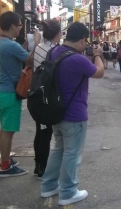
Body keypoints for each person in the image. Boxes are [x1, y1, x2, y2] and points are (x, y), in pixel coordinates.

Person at [40, 22, 104, 206]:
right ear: (83, 39)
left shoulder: (54, 51)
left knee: (59, 149)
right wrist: (98, 55)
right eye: (86, 42)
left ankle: (48, 185)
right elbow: (99, 72)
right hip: (74, 114)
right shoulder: (78, 59)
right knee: (72, 154)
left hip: (56, 112)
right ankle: (68, 191)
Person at [0, 11, 40, 177]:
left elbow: (14, 56)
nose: (20, 28)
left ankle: (5, 160)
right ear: (12, 26)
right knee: (8, 130)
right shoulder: (11, 45)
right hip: (9, 94)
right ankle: (5, 167)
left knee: (4, 129)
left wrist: (25, 46)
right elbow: (32, 60)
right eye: (20, 25)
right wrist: (36, 45)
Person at [32, 19, 62, 178]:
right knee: (46, 133)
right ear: (58, 33)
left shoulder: (38, 48)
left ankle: (39, 164)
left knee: (41, 131)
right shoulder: (55, 51)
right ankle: (42, 167)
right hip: (47, 97)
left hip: (36, 93)